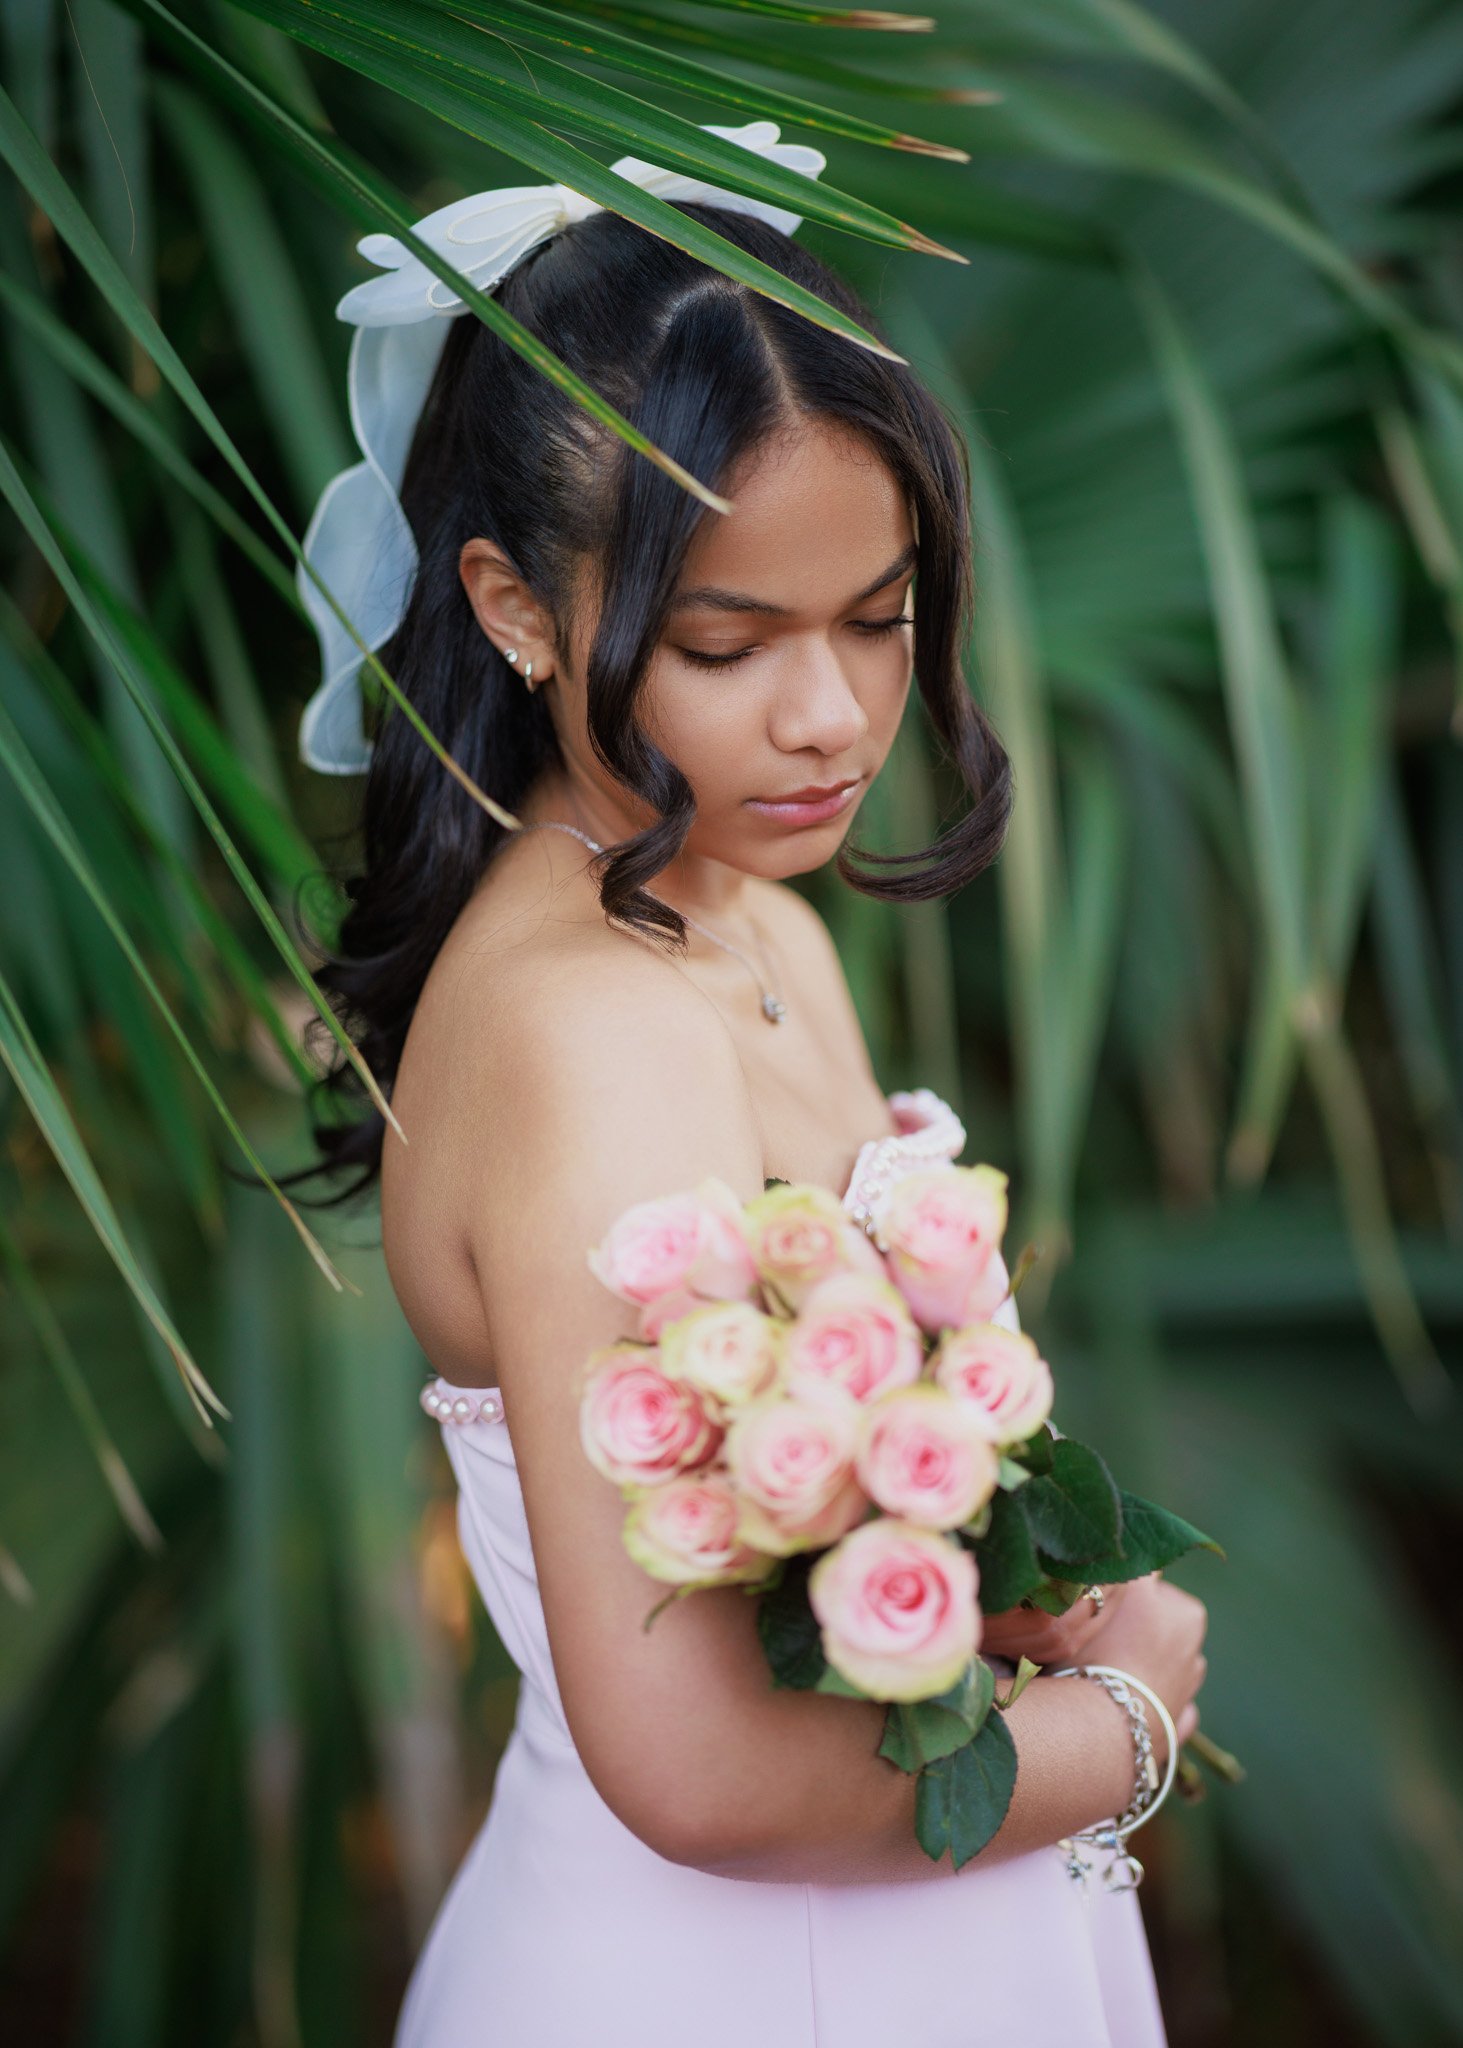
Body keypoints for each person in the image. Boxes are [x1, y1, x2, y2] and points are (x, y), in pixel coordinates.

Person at [295, 125, 1207, 2048]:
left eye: (877, 620)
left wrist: (1021, 1590)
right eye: (726, 643)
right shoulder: (590, 1032)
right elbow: (699, 1763)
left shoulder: (733, 908)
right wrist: (1120, 1727)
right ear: (518, 606)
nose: (832, 719)